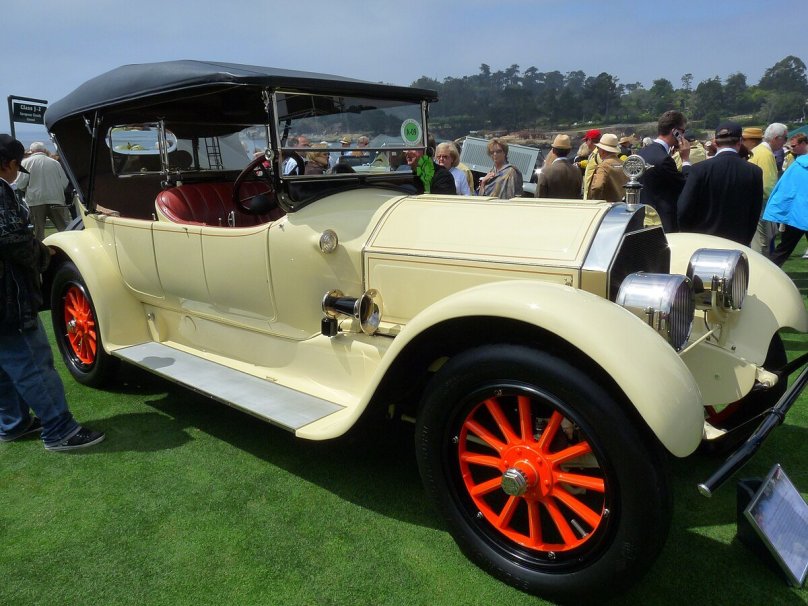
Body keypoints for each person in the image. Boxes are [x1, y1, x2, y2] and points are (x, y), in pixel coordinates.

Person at [0, 135, 105, 451]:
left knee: (4, 363)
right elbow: (11, 238)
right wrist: (44, 256)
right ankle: (60, 430)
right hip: (8, 296)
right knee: (31, 362)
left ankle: (13, 423)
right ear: (10, 163)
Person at [677, 121, 763, 245]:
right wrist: (745, 241)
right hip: (737, 242)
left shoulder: (699, 169)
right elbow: (754, 214)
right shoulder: (754, 172)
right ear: (739, 142)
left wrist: (690, 235)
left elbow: (683, 209)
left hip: (703, 241)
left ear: (715, 143)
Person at [637, 110, 691, 232]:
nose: (683, 135)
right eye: (682, 131)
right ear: (675, 131)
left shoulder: (642, 152)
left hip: (642, 217)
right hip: (662, 221)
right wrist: (686, 159)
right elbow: (685, 185)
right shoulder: (664, 159)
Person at [764, 133, 808, 265]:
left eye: (794, 145)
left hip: (795, 216)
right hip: (798, 214)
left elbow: (784, 190)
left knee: (783, 250)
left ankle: (766, 275)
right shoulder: (796, 164)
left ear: (803, 143)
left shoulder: (796, 165)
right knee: (783, 249)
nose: (792, 148)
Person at [14, 142, 70, 241]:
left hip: (36, 201)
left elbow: (20, 184)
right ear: (44, 150)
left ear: (32, 151)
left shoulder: (26, 162)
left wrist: (26, 189)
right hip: (56, 199)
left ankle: (41, 253)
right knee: (64, 230)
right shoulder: (55, 162)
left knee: (38, 232)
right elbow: (65, 182)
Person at [748, 123, 788, 256]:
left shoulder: (759, 151)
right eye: (785, 138)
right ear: (777, 138)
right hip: (762, 207)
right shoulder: (766, 154)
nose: (785, 142)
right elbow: (768, 186)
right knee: (762, 245)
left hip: (754, 204)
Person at [536, 134, 582, 199]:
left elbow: (539, 196)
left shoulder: (545, 172)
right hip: (571, 208)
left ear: (553, 151)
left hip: (551, 208)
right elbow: (579, 194)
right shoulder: (577, 171)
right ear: (569, 151)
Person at [587, 134, 628, 202]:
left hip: (608, 207)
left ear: (602, 150)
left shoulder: (604, 166)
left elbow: (597, 187)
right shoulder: (623, 163)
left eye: (598, 148)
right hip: (622, 205)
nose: (597, 151)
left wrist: (595, 200)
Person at [578, 129, 601, 200]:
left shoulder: (598, 154)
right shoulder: (595, 154)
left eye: (586, 140)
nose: (586, 143)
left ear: (590, 140)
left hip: (592, 197)